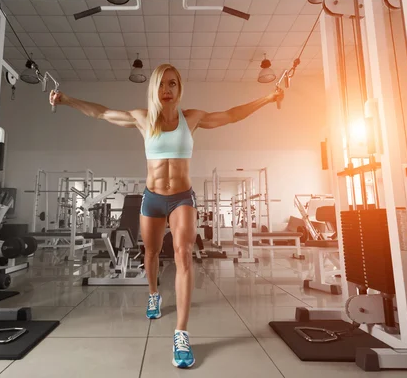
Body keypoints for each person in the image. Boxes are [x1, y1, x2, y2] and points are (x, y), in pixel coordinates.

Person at [49, 64, 284, 368]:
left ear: (179, 88)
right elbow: (102, 113)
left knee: (184, 255)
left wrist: (267, 98)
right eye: (162, 84)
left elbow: (231, 114)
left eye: (173, 84)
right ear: (155, 90)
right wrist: (66, 99)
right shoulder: (143, 119)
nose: (167, 90)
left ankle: (181, 333)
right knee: (151, 252)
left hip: (182, 198)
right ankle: (153, 294)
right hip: (153, 199)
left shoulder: (192, 119)